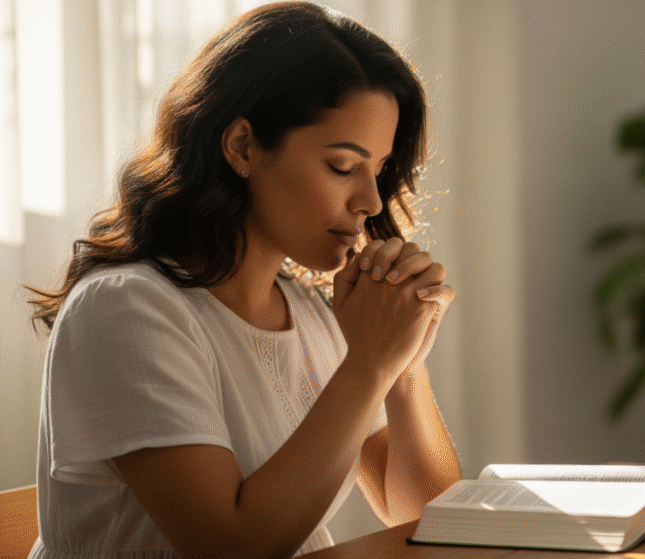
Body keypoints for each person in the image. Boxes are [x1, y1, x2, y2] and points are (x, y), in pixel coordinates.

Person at [25, 2, 460, 557]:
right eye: (343, 167)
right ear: (243, 146)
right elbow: (231, 547)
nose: (371, 201)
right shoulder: (127, 309)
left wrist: (403, 362)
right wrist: (370, 361)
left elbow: (431, 522)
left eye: (378, 170)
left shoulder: (311, 314)